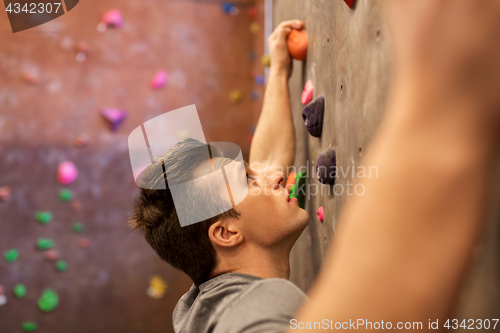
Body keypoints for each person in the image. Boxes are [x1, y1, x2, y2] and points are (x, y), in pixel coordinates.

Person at [130, 0, 500, 331]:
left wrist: (278, 71)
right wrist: (444, 91)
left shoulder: (201, 305)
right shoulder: (244, 314)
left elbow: (267, 165)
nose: (274, 175)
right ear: (225, 234)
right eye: (246, 178)